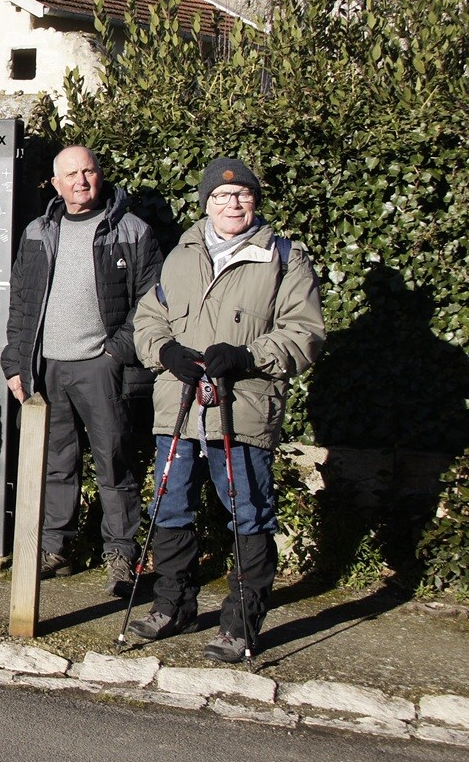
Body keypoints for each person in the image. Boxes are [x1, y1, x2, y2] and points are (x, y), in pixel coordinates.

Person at [127, 157, 325, 662]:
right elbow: (149, 320)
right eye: (220, 196)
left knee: (248, 513)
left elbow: (304, 334)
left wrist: (247, 356)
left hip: (243, 408)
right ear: (206, 203)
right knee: (169, 506)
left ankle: (240, 623)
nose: (231, 204)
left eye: (241, 196)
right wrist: (165, 351)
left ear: (255, 201)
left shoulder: (284, 258)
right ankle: (173, 604)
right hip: (179, 406)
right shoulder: (180, 256)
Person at [0, 146, 161, 596]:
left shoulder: (132, 230)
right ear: (56, 184)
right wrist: (16, 363)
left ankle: (121, 556)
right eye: (70, 174)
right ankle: (55, 548)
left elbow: (150, 303)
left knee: (115, 464)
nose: (81, 181)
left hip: (101, 367)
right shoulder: (38, 231)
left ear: (100, 174)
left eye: (88, 171)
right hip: (46, 367)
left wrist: (116, 353)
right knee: (56, 464)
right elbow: (21, 303)